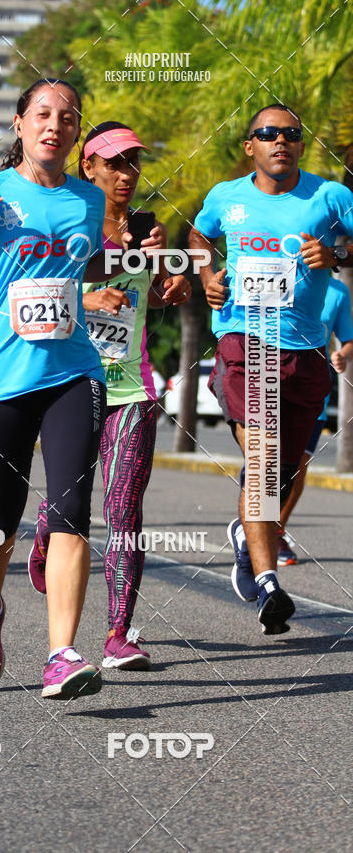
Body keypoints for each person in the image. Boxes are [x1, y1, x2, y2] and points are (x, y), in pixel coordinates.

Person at [0, 79, 160, 698]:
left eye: (67, 117)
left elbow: (85, 263)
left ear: (76, 133)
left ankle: (62, 654)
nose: (55, 123)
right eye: (43, 113)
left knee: (72, 510)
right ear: (20, 124)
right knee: (0, 520)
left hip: (73, 371)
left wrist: (133, 258)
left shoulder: (84, 199)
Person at [28, 121, 191, 671]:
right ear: (88, 167)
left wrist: (172, 279)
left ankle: (118, 632)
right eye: (114, 163)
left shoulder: (148, 228)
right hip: (67, 383)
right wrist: (88, 297)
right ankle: (49, 533)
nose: (127, 173)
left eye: (133, 163)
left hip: (130, 384)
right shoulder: (70, 223)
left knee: (123, 508)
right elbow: (33, 288)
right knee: (68, 505)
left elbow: (166, 296)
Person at [191, 103, 353, 635]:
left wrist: (337, 255)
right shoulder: (226, 197)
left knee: (284, 469)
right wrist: (208, 273)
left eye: (290, 134)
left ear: (301, 145)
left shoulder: (330, 197)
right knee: (262, 464)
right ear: (249, 146)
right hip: (243, 340)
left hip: (305, 353)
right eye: (267, 133)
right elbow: (198, 236)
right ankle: (267, 586)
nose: (279, 141)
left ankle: (246, 536)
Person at [277, 276, 353, 564]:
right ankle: (253, 528)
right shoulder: (283, 274)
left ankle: (275, 531)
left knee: (297, 466)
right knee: (263, 459)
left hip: (313, 390)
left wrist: (342, 356)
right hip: (273, 380)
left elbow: (347, 339)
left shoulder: (338, 292)